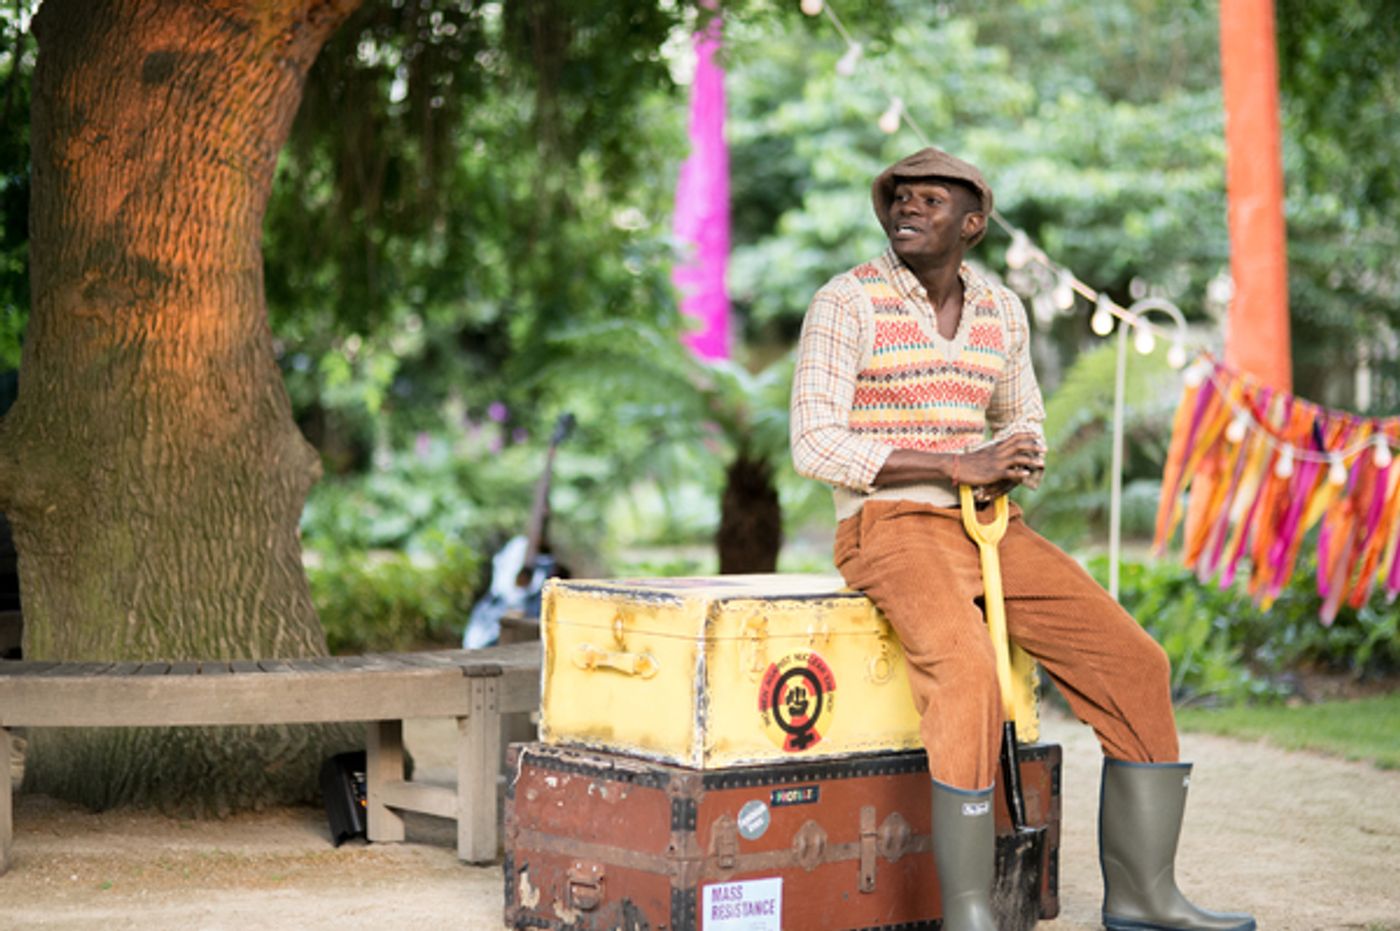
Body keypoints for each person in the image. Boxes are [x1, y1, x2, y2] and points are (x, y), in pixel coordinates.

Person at [790, 146, 1255, 931]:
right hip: (887, 524)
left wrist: (1016, 457)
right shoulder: (848, 302)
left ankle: (1144, 895)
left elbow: (1024, 413)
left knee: (1136, 663)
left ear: (971, 224)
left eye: (931, 200)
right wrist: (955, 460)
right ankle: (972, 912)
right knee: (970, 674)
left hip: (989, 524)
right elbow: (814, 442)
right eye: (900, 197)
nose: (908, 208)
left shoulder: (1003, 309)